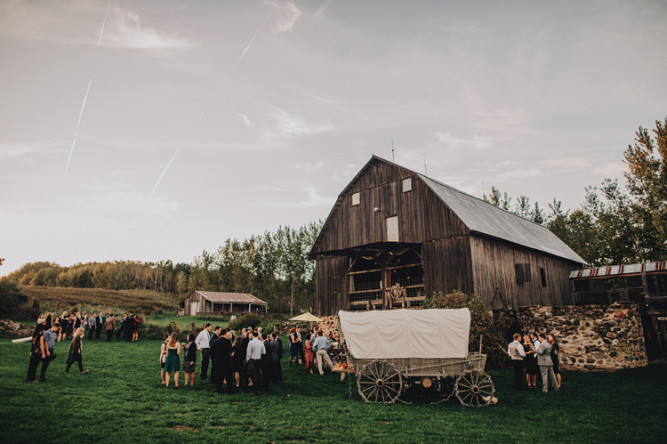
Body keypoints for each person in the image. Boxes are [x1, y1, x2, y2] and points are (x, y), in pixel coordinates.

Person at [210, 329, 234, 394]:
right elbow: (231, 351)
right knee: (228, 376)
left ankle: (219, 388)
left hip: (218, 361)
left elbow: (211, 352)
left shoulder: (215, 341)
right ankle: (230, 389)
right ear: (226, 333)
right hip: (226, 361)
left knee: (219, 376)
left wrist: (214, 359)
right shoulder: (228, 341)